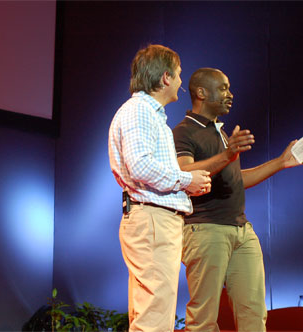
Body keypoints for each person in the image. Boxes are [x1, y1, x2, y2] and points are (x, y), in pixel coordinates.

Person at [172, 67, 303, 332]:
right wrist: (227, 155)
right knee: (203, 320)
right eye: (223, 88)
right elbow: (183, 173)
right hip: (206, 229)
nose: (230, 94)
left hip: (241, 230)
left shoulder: (220, 133)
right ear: (201, 92)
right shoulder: (184, 131)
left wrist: (282, 162)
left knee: (254, 315)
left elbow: (236, 179)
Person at [108, 45, 212, 332]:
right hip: (152, 219)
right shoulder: (140, 111)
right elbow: (140, 167)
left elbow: (146, 169)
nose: (181, 81)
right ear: (165, 77)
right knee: (155, 319)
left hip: (153, 217)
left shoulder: (149, 115)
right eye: (178, 75)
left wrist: (187, 187)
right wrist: (185, 180)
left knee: (152, 315)